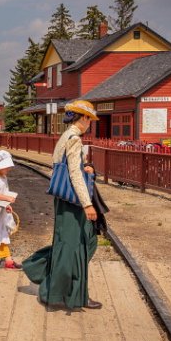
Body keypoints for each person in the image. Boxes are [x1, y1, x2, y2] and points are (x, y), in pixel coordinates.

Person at [22, 100, 102, 310]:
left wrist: (85, 168)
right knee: (81, 244)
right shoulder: (75, 139)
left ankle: (55, 289)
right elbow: (73, 174)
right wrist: (87, 204)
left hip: (63, 199)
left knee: (70, 244)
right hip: (74, 201)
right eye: (90, 120)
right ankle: (66, 292)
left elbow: (65, 167)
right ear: (83, 118)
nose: (90, 124)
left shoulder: (65, 136)